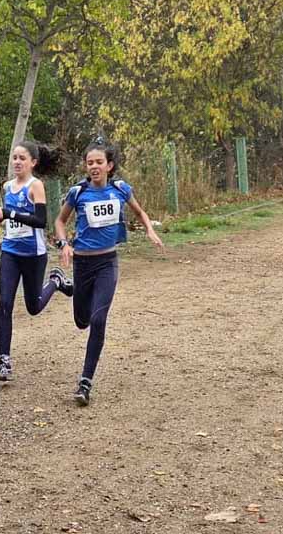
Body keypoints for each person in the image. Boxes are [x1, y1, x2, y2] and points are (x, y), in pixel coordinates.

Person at [54, 140, 164, 406]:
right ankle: (67, 285)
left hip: (107, 263)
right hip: (82, 264)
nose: (94, 166)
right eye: (89, 163)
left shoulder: (121, 189)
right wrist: (64, 244)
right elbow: (59, 221)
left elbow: (140, 212)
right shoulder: (78, 192)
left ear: (109, 166)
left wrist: (149, 230)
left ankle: (85, 382)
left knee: (99, 319)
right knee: (82, 321)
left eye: (99, 162)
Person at [0, 141, 73, 382]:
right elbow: (10, 218)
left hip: (34, 255)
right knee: (5, 302)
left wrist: (9, 213)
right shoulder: (7, 187)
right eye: (14, 157)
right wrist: (0, 217)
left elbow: (40, 221)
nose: (17, 162)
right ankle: (4, 361)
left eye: (22, 158)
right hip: (10, 252)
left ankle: (55, 281)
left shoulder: (36, 186)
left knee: (33, 307)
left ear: (33, 162)